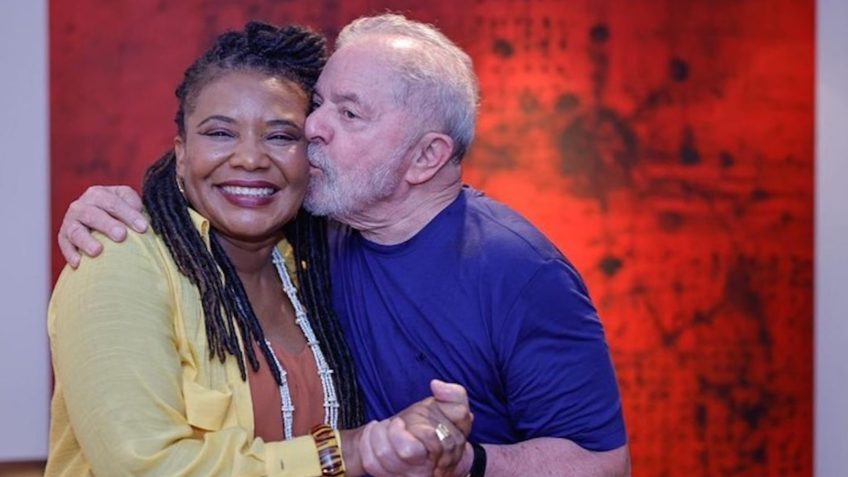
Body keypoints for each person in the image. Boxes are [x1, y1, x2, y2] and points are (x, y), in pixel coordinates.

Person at [58, 13, 631, 476]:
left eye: (349, 113)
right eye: (319, 105)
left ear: (426, 157)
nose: (313, 127)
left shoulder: (519, 270)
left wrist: (467, 463)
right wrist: (112, 206)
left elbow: (603, 464)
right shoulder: (310, 240)